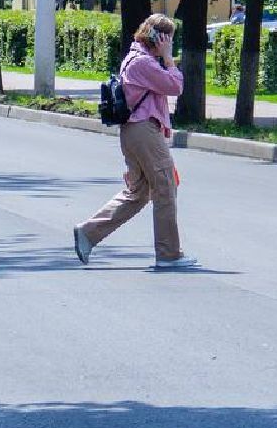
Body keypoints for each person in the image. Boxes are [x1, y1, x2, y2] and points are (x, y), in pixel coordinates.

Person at [73, 14, 196, 270]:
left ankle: (88, 232)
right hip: (143, 131)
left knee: (139, 193)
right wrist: (169, 57)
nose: (171, 44)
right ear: (159, 38)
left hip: (137, 132)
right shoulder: (143, 63)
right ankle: (169, 254)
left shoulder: (138, 59)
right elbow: (175, 86)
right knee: (165, 187)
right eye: (169, 39)